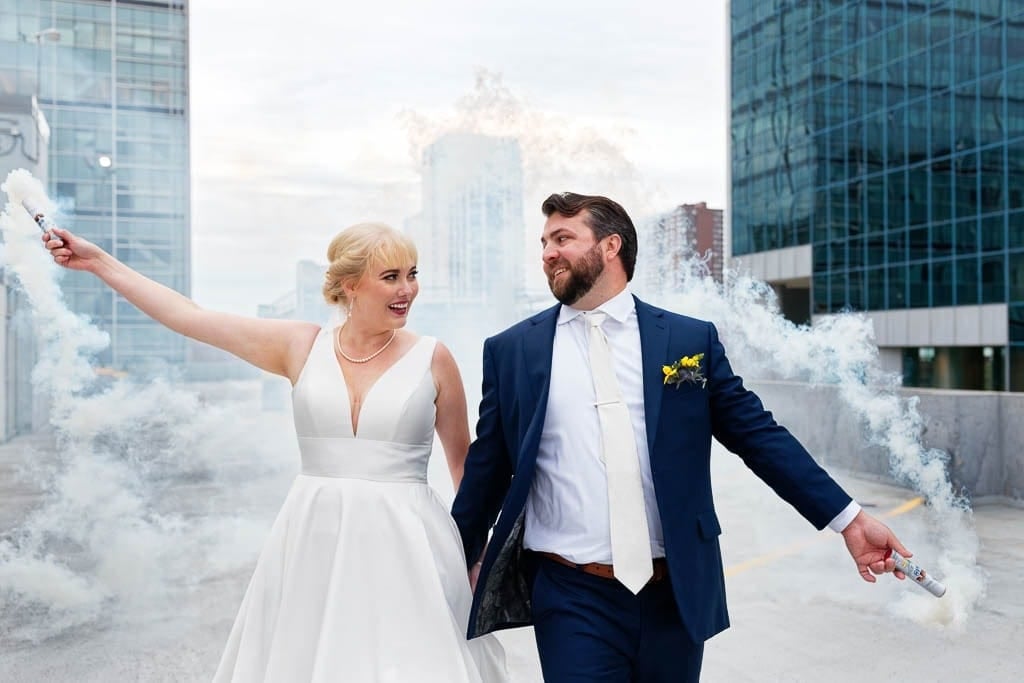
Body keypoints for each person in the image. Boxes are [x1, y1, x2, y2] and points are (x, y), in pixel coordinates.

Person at [451, 192, 911, 682]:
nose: (547, 252)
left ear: (611, 246)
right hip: (570, 594)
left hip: (675, 591)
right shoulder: (512, 351)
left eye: (563, 238)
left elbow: (758, 436)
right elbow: (489, 466)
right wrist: (453, 555)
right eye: (544, 241)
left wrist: (850, 519)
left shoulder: (689, 341)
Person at [42, 222, 507, 682]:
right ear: (350, 285)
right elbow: (190, 317)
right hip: (313, 541)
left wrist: (474, 553)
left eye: (412, 273)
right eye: (391, 277)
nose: (408, 289)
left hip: (411, 546)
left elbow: (463, 464)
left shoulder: (433, 357)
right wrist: (99, 262)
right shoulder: (300, 345)